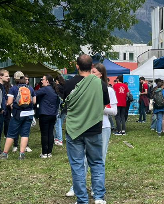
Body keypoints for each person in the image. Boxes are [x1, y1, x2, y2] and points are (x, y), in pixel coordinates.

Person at [61, 54, 110, 204]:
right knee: (97, 163)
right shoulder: (100, 84)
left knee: (77, 165)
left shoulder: (68, 85)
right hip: (94, 129)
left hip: (74, 130)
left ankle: (82, 199)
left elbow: (66, 106)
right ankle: (99, 197)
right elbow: (103, 106)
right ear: (92, 67)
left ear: (77, 66)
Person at [0, 71, 36, 159]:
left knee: (11, 134)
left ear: (15, 79)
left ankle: (5, 154)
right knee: (25, 134)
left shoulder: (13, 89)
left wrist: (10, 104)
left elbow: (9, 102)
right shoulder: (30, 88)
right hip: (29, 114)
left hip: (17, 114)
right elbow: (34, 101)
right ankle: (22, 154)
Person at [36, 74, 60, 158]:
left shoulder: (45, 89)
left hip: (44, 114)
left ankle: (44, 152)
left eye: (43, 79)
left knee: (44, 134)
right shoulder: (54, 90)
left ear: (47, 81)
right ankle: (49, 152)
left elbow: (34, 93)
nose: (41, 81)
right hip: (53, 114)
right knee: (50, 133)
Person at [54, 75, 68, 147]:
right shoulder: (65, 86)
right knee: (60, 122)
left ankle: (59, 139)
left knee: (57, 123)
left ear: (56, 81)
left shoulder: (57, 87)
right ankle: (56, 138)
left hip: (58, 106)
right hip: (65, 106)